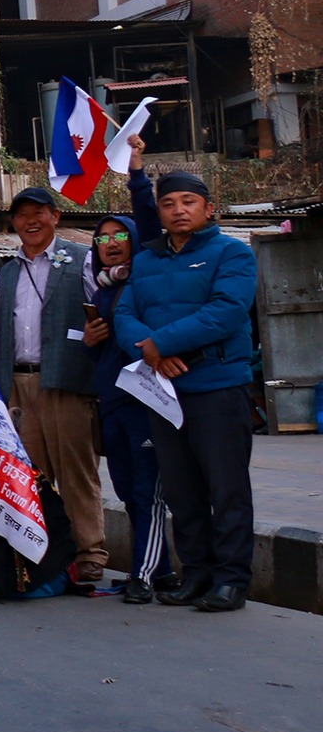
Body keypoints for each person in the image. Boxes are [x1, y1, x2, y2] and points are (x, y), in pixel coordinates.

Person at [115, 170, 259, 612]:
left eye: (188, 202)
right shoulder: (147, 259)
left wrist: (164, 342)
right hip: (164, 391)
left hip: (217, 387)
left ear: (207, 208)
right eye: (169, 203)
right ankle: (196, 574)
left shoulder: (233, 254)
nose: (179, 210)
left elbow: (226, 311)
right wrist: (152, 352)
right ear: (159, 212)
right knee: (181, 490)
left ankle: (231, 580)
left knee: (226, 487)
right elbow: (124, 314)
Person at [0, 187, 104, 588]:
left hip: (65, 382)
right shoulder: (6, 273)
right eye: (21, 216)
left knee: (76, 472)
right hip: (17, 384)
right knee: (29, 476)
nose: (30, 221)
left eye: (39, 213)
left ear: (56, 216)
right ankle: (45, 557)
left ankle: (89, 556)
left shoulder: (83, 261)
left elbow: (100, 315)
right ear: (12, 223)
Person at [83, 138, 172, 603]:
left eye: (120, 237)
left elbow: (148, 216)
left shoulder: (150, 272)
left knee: (147, 488)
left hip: (145, 400)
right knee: (124, 486)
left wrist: (136, 171)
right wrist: (91, 342)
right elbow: (101, 346)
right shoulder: (98, 290)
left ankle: (142, 572)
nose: (111, 244)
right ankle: (164, 571)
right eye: (102, 238)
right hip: (111, 402)